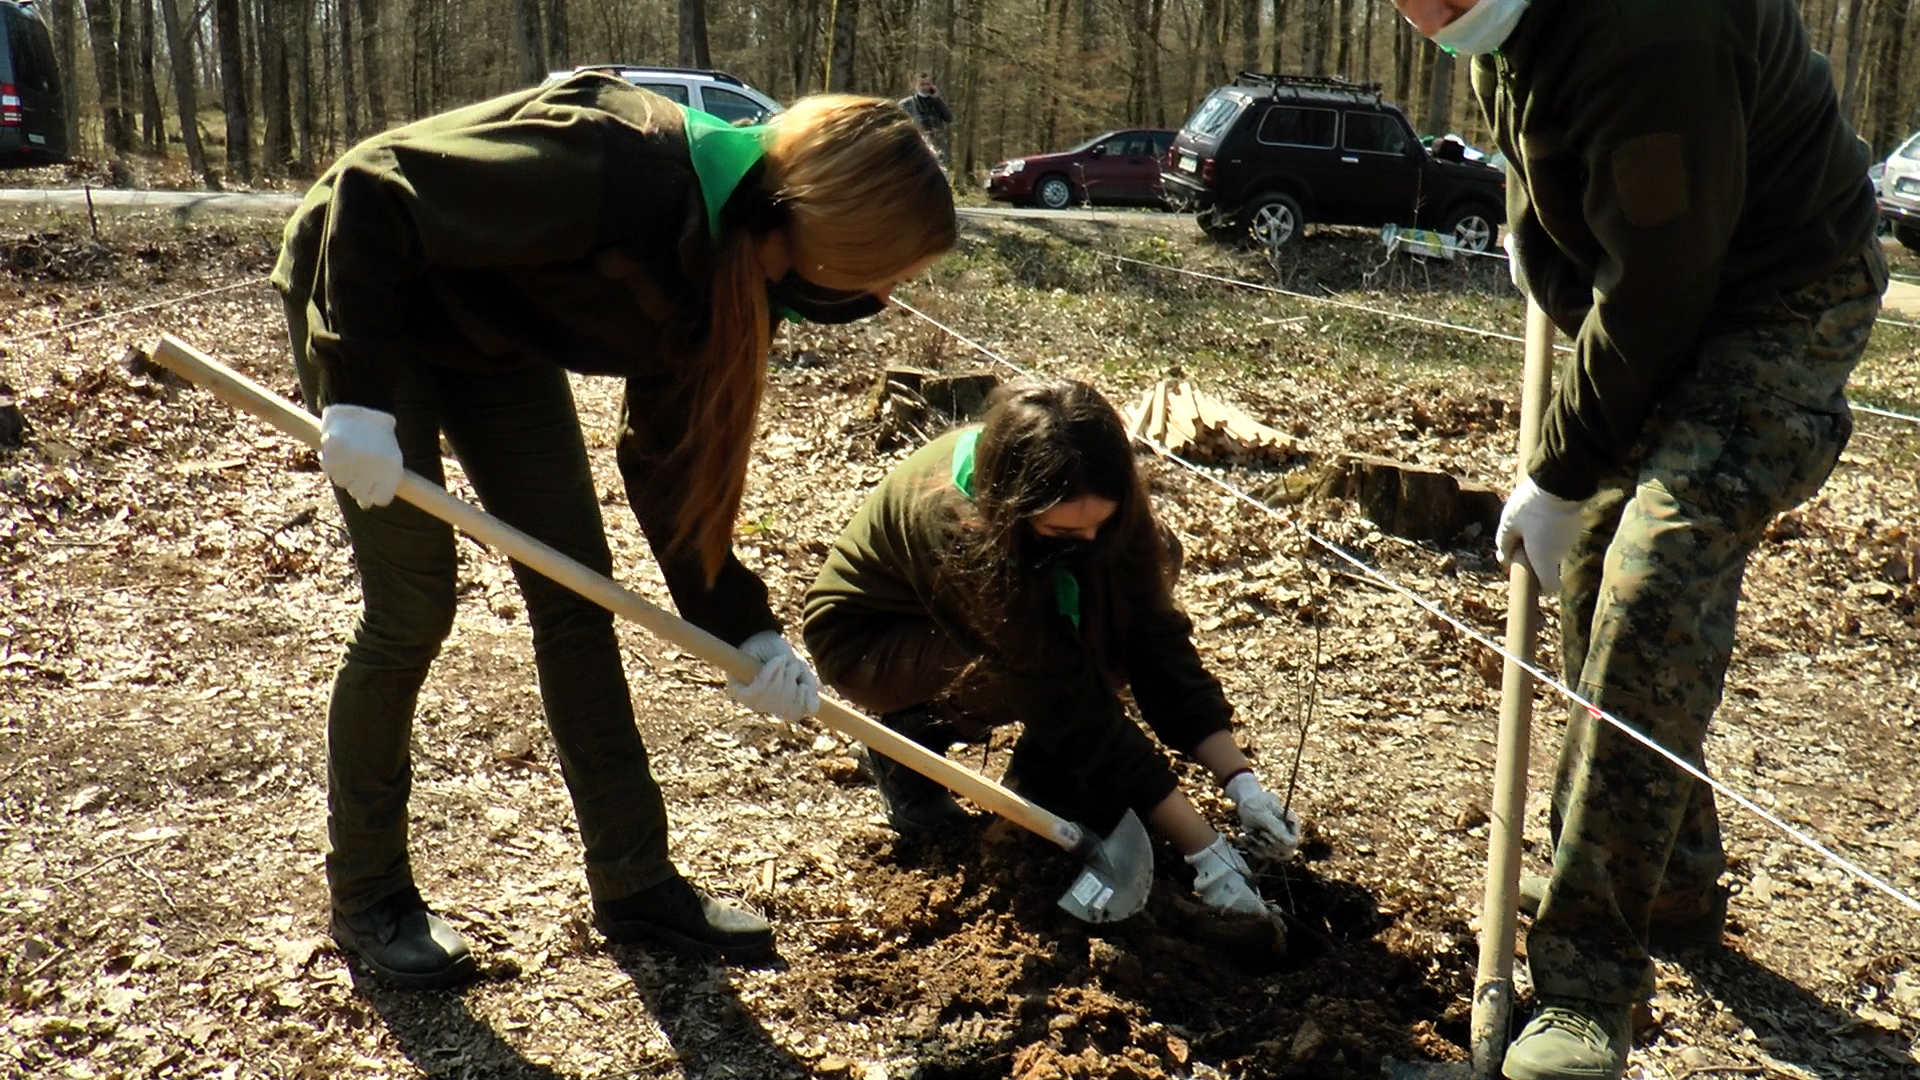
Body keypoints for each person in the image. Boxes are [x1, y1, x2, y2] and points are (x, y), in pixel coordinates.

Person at [270, 73, 956, 987]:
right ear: (826, 228)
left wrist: (742, 628)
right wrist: (356, 396)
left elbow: (673, 468)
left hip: (488, 338)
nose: (885, 292)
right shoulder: (624, 165)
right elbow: (374, 186)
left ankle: (634, 882)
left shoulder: (735, 263)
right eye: (886, 269)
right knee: (412, 610)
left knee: (575, 595)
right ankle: (369, 897)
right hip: (369, 293)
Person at [1391, 1, 1885, 1078]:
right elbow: (1546, 154)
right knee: (1598, 589)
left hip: (1783, 296)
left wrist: (1563, 470)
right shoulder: (1496, 23)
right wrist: (1547, 266)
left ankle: (1585, 986)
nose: (1412, 10)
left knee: (1651, 576)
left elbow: (1661, 284)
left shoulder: (1652, 28)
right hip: (1673, 279)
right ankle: (1663, 876)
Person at [801, 379, 1303, 918]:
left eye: (1100, 524)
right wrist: (1204, 848)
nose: (1088, 541)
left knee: (1148, 567)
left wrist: (1241, 782)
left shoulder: (1094, 506)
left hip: (992, 610)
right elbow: (1056, 684)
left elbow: (1156, 640)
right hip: (875, 643)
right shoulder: (957, 521)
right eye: (1063, 530)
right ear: (1013, 507)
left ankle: (1047, 779)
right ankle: (907, 744)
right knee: (1029, 669)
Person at [898, 72, 954, 171]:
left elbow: (949, 118)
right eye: (922, 84)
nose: (925, 87)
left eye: (928, 84)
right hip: (917, 148)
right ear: (916, 86)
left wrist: (937, 99)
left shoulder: (936, 102)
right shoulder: (906, 104)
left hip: (937, 148)